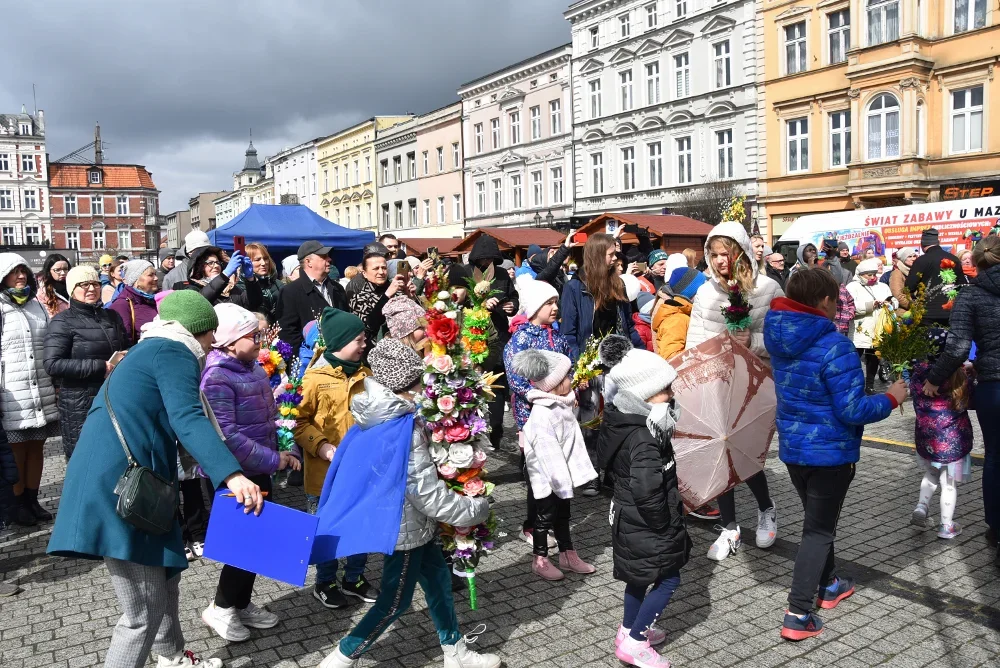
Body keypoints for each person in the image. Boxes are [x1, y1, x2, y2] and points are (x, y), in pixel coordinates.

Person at [47, 290, 264, 668]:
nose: (213, 342)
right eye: (210, 333)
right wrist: (231, 475)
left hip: (126, 478)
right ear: (195, 330)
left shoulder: (151, 349)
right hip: (126, 487)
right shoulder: (174, 352)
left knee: (163, 578)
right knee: (140, 615)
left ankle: (172, 657)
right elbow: (188, 417)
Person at [315, 339, 500, 668]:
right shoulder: (404, 430)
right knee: (393, 603)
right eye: (418, 384)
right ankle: (341, 657)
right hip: (405, 532)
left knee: (439, 583)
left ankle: (455, 653)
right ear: (404, 387)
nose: (423, 391)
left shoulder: (379, 417)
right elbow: (426, 494)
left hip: (416, 527)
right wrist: (475, 510)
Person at [763, 268, 904, 640]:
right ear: (825, 302)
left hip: (794, 451)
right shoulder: (835, 345)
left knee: (817, 522)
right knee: (818, 531)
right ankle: (797, 614)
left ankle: (830, 585)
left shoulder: (779, 338)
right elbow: (853, 410)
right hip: (830, 455)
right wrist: (891, 398)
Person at [199, 304, 301, 642]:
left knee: (255, 540)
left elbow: (267, 420)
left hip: (259, 467)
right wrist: (274, 460)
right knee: (240, 542)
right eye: (251, 335)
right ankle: (220, 608)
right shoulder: (217, 376)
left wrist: (280, 451)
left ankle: (240, 602)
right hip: (234, 472)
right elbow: (225, 435)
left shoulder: (254, 369)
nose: (259, 341)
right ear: (229, 341)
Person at [685, 222, 783, 561]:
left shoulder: (768, 288)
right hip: (716, 383)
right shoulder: (706, 292)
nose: (718, 261)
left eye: (724, 254)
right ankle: (729, 526)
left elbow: (783, 336)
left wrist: (753, 343)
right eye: (712, 255)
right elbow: (694, 341)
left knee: (746, 452)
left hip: (755, 385)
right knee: (719, 450)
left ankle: (766, 508)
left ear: (739, 252)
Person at [596, 345, 689, 668]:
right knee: (669, 578)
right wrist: (664, 522)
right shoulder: (645, 437)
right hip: (648, 522)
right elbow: (647, 488)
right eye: (665, 389)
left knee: (638, 577)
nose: (672, 394)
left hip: (628, 517)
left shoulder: (623, 420)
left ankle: (627, 629)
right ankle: (635, 642)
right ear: (646, 393)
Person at [922, 236, 1000, 564]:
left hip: (993, 386)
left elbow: (956, 348)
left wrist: (933, 379)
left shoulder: (970, 294)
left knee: (995, 457)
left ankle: (997, 529)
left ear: (977, 263)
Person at [294, 308, 375, 609]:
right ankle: (324, 581)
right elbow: (298, 422)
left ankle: (354, 577)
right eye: (359, 339)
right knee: (325, 528)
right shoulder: (314, 378)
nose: (365, 344)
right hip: (324, 473)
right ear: (340, 342)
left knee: (361, 525)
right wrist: (323, 447)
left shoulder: (367, 375)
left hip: (361, 468)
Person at [512, 349, 597, 581]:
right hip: (549, 477)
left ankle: (568, 555)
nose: (571, 380)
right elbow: (548, 453)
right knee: (544, 517)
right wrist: (561, 481)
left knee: (563, 515)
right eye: (566, 377)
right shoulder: (543, 413)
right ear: (554, 384)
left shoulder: (560, 404)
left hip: (561, 476)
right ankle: (539, 559)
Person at [504, 279, 570, 547]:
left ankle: (553, 521)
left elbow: (570, 368)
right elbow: (517, 379)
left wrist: (573, 385)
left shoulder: (559, 336)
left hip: (561, 414)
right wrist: (539, 396)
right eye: (548, 303)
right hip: (531, 416)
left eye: (555, 302)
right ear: (534, 307)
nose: (554, 307)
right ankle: (531, 525)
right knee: (537, 473)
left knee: (558, 470)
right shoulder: (519, 339)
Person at [44, 266, 130, 460]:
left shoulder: (112, 316)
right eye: (84, 284)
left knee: (114, 459)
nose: (91, 289)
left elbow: (126, 345)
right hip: (79, 403)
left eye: (95, 284)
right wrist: (100, 367)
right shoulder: (62, 322)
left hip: (113, 396)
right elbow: (52, 364)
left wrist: (127, 355)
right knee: (86, 460)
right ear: (72, 290)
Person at [0, 253, 60, 526]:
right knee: (16, 449)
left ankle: (32, 500)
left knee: (37, 447)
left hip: (41, 389)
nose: (21, 276)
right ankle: (16, 505)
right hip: (11, 391)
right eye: (14, 272)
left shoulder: (36, 306)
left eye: (23, 271)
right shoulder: (0, 307)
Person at [908, 330, 972, 540]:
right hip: (952, 442)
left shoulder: (917, 373)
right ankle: (946, 526)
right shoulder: (958, 376)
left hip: (927, 439)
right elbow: (966, 401)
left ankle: (921, 506)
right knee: (949, 483)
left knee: (931, 475)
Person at [466, 234, 519, 450]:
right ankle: (471, 434)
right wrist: (479, 302)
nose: (486, 262)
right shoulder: (466, 274)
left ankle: (496, 429)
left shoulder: (503, 275)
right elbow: (458, 303)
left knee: (496, 386)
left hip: (498, 337)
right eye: (483, 259)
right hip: (473, 338)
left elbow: (513, 297)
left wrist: (511, 306)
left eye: (490, 259)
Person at [561, 233, 642, 360]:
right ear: (597, 256)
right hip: (589, 361)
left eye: (615, 253)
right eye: (611, 254)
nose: (615, 258)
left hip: (620, 358)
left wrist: (642, 353)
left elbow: (629, 325)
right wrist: (578, 365)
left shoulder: (618, 284)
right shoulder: (574, 287)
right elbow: (568, 334)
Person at [277, 241, 348, 350]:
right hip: (311, 361)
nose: (329, 259)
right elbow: (288, 332)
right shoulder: (290, 291)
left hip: (341, 355)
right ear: (308, 262)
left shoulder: (337, 288)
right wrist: (307, 357)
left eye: (328, 256)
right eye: (324, 256)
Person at [846, 258, 895, 394]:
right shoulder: (852, 287)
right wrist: (870, 305)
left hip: (878, 330)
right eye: (869, 275)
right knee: (855, 360)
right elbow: (850, 307)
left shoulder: (882, 286)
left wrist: (890, 304)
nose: (873, 277)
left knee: (873, 359)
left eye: (874, 274)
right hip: (860, 330)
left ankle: (870, 385)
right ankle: (854, 385)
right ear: (861, 274)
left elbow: (893, 301)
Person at [349, 250, 407, 361]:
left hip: (404, 350)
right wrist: (387, 295)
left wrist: (410, 294)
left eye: (384, 268)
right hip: (377, 355)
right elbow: (370, 325)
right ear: (364, 273)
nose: (381, 272)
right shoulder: (358, 298)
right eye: (376, 268)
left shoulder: (398, 291)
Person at [906, 228, 969, 325]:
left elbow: (909, 286)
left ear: (922, 244)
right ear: (938, 242)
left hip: (926, 313)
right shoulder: (954, 259)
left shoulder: (921, 261)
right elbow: (962, 285)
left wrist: (914, 300)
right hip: (949, 311)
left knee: (927, 340)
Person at [174, 246, 262, 311]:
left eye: (217, 262)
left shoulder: (231, 288)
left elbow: (254, 303)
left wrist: (250, 279)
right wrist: (225, 275)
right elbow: (201, 301)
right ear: (199, 267)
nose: (216, 266)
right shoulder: (192, 289)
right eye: (210, 263)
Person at [651, 267, 705, 361]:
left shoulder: (685, 312)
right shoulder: (677, 320)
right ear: (691, 292)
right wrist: (701, 354)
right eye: (702, 287)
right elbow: (671, 358)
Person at [110, 260, 161, 345]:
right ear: (135, 280)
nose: (156, 278)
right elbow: (124, 342)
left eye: (155, 274)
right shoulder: (122, 305)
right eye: (150, 275)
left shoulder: (156, 298)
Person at [245, 242, 282, 323]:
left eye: (265, 258)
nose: (263, 263)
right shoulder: (240, 287)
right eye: (257, 260)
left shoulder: (279, 285)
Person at [37, 253, 72, 317]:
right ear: (49, 271)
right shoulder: (42, 293)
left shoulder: (75, 288)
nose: (63, 273)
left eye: (65, 269)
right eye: (57, 270)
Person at [888, 247, 917, 314]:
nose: (913, 259)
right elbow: (897, 294)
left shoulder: (913, 271)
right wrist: (913, 306)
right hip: (904, 312)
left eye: (914, 256)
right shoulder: (897, 273)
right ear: (903, 259)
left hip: (914, 311)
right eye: (909, 257)